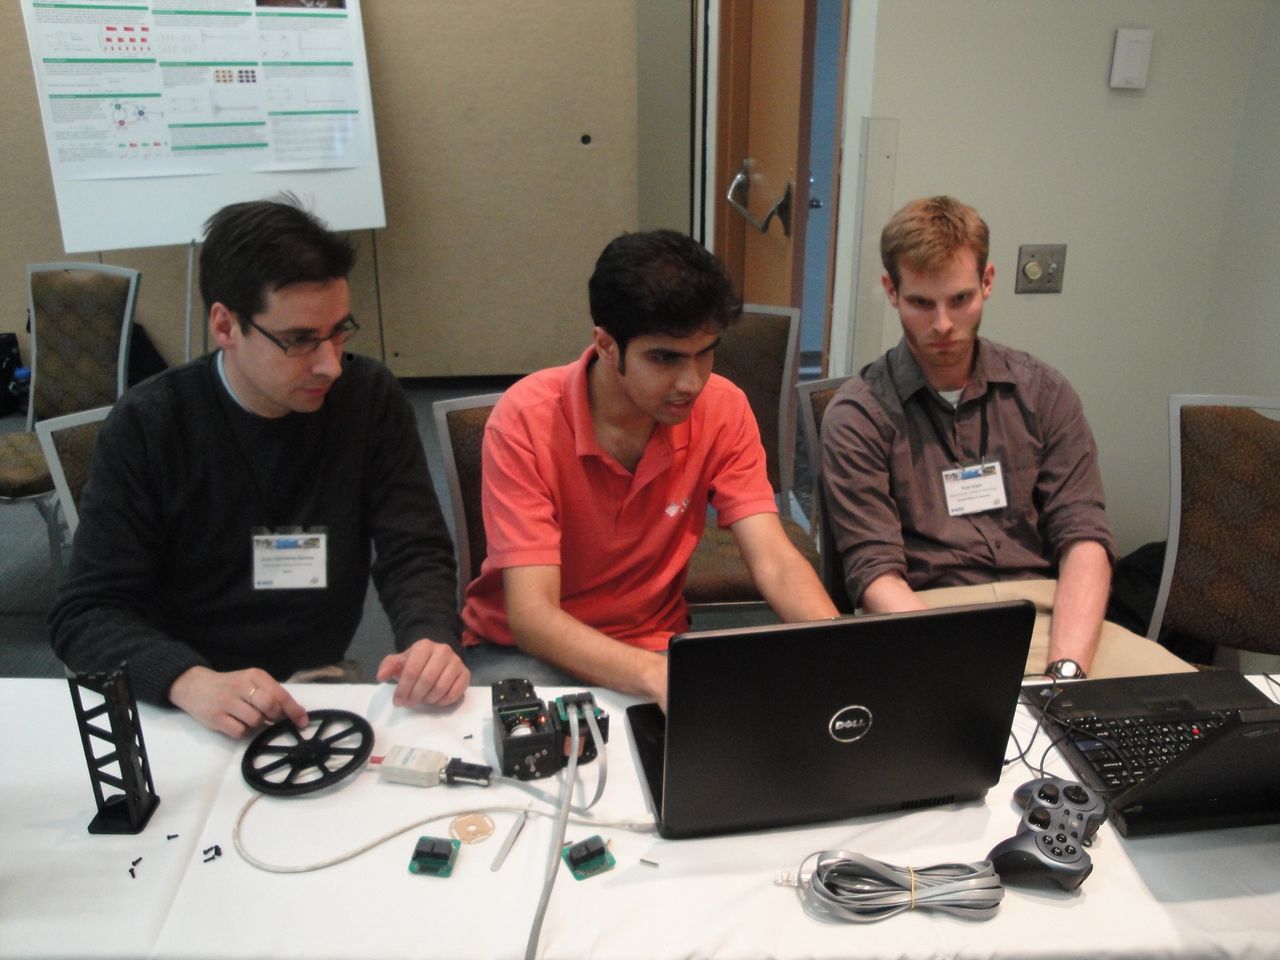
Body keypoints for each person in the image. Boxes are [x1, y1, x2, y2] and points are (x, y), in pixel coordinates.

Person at [49, 197, 469, 737]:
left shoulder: (367, 399)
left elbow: (413, 548)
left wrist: (429, 636)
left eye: (339, 330)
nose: (330, 364)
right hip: (188, 700)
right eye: (299, 340)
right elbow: (86, 613)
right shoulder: (151, 423)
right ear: (226, 326)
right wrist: (187, 680)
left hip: (315, 683)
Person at [461, 229, 839, 709]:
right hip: (523, 653)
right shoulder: (525, 420)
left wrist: (838, 648)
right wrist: (653, 675)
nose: (691, 382)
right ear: (606, 345)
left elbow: (775, 561)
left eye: (706, 352)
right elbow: (533, 618)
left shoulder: (723, 408)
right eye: (665, 358)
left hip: (654, 643)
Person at [820, 196, 1191, 680]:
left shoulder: (1043, 392)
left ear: (987, 282)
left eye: (960, 300)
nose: (943, 324)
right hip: (924, 617)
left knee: (1190, 707)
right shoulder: (859, 414)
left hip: (1046, 611)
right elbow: (874, 573)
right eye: (921, 303)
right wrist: (970, 674)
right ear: (892, 291)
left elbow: (1084, 536)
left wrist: (1066, 672)